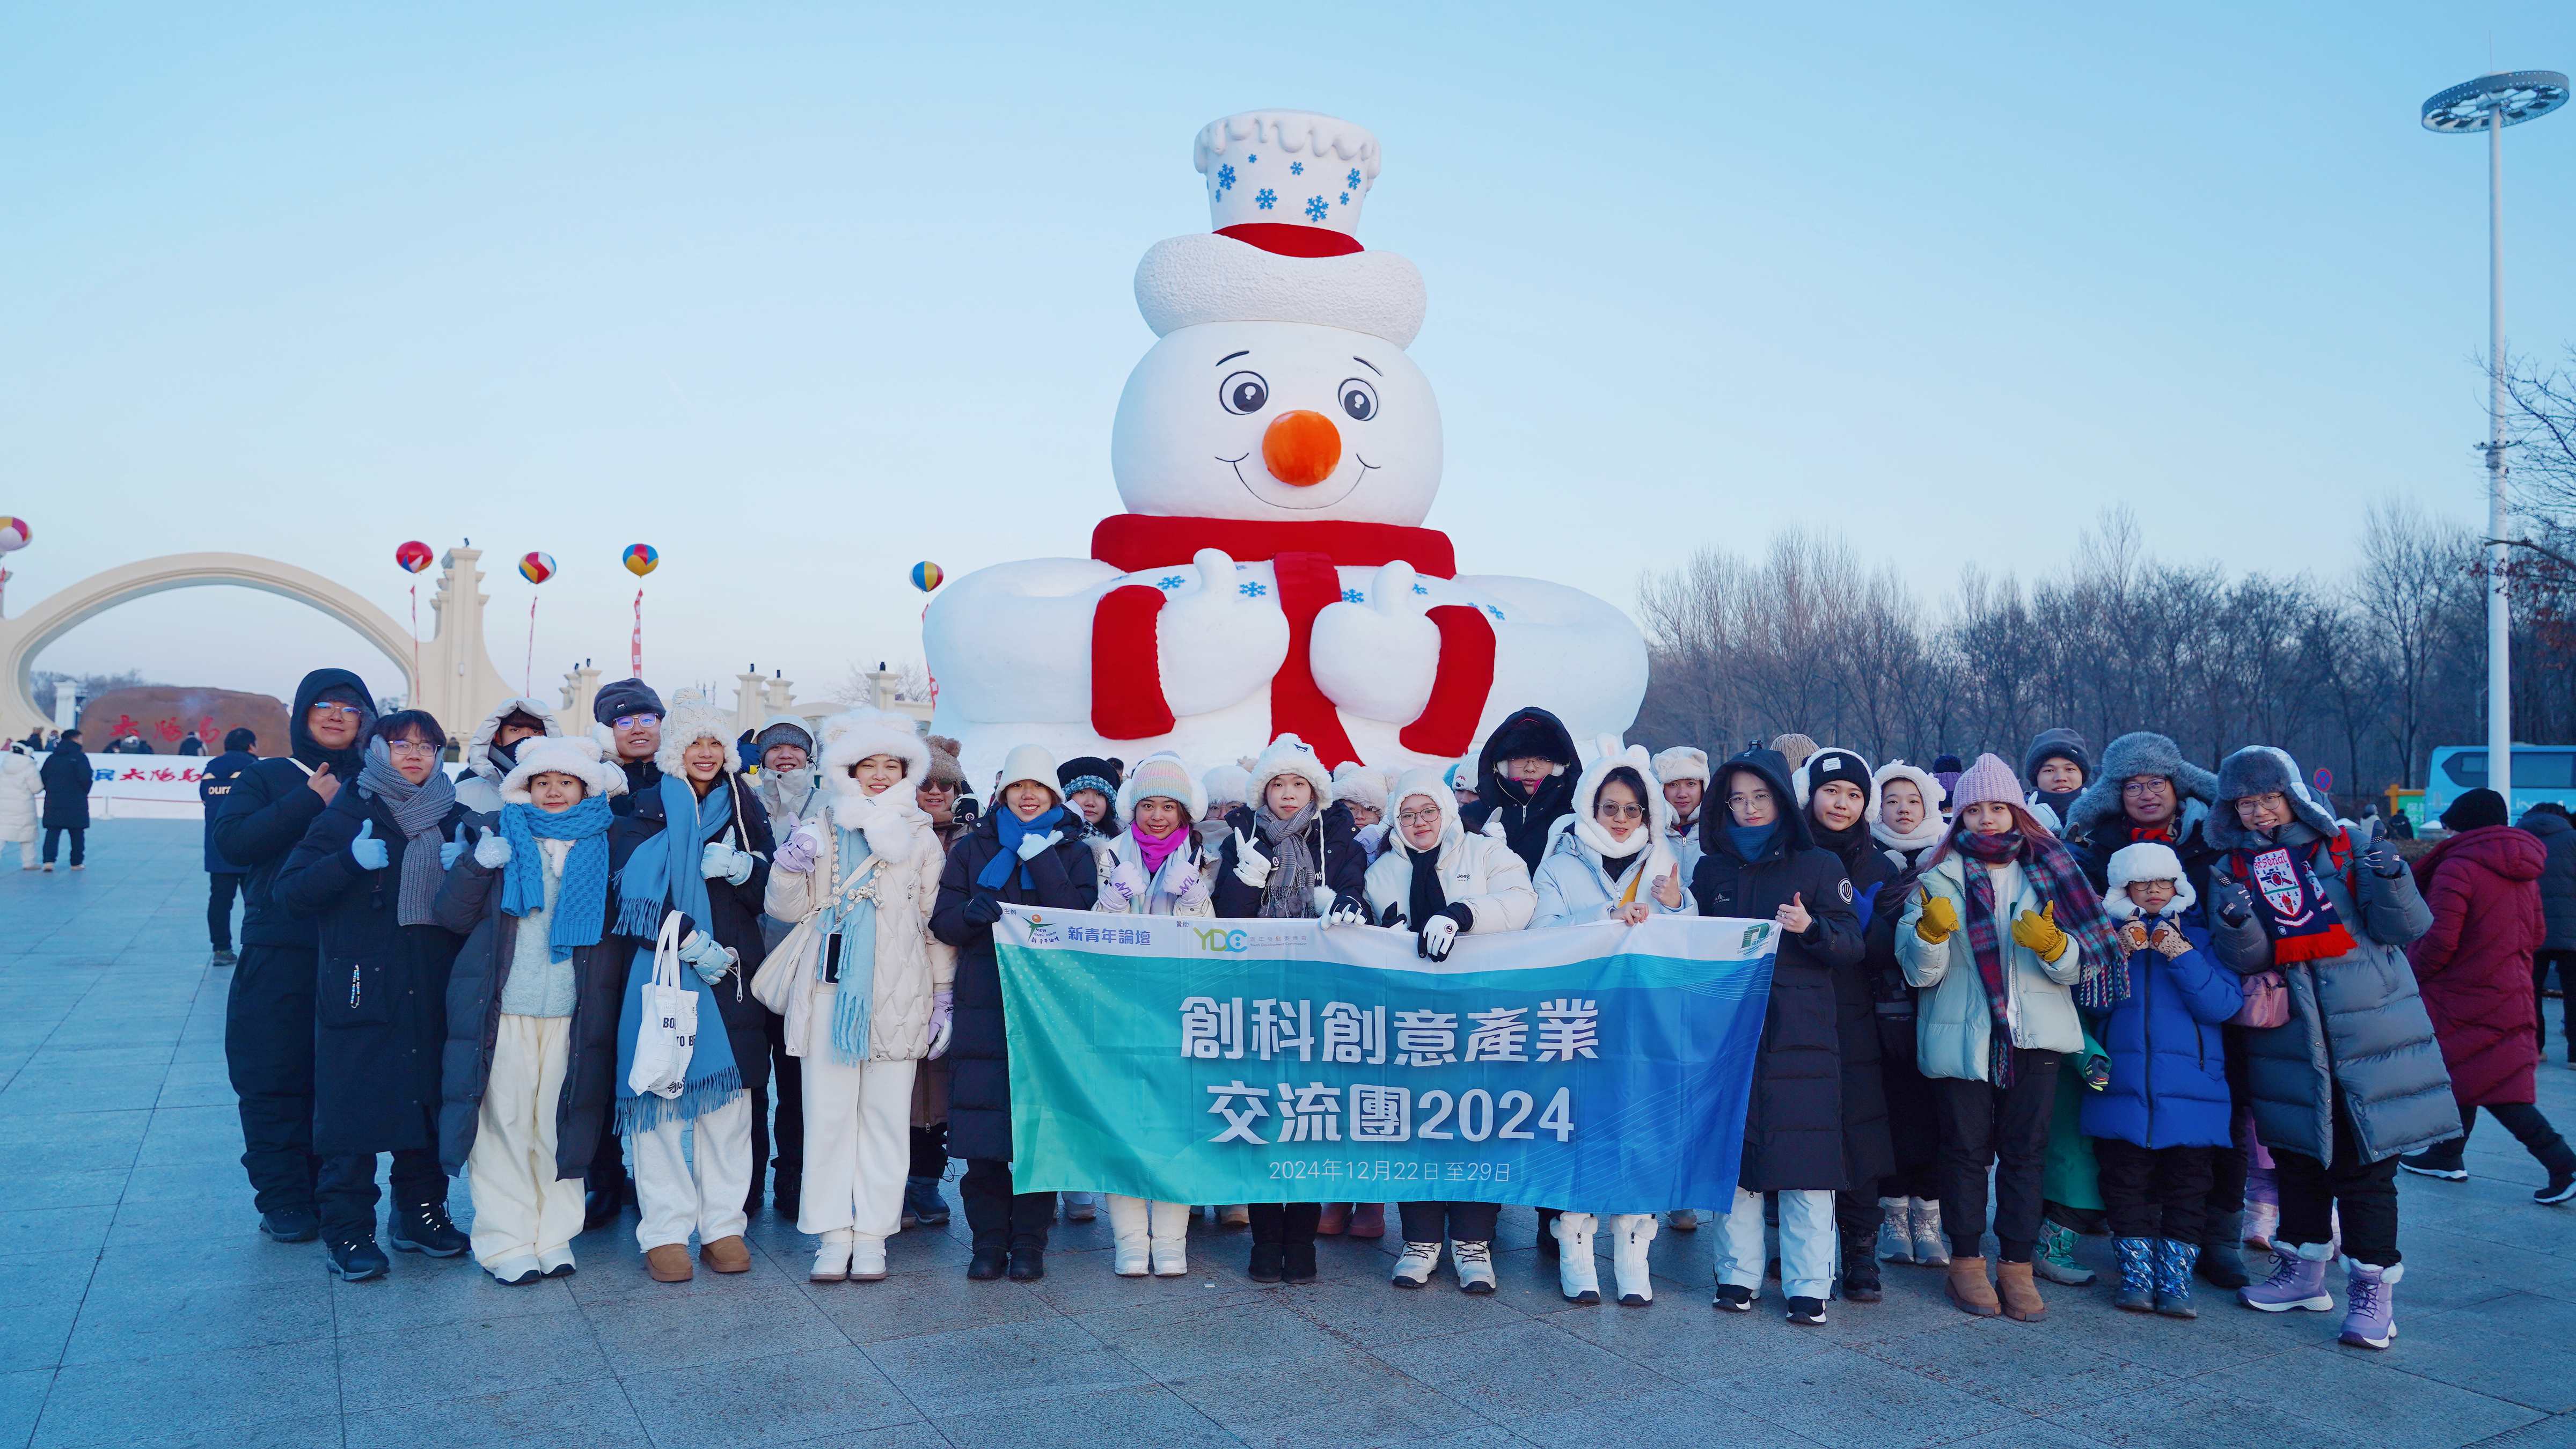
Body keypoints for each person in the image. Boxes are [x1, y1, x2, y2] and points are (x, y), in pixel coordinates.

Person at [2216, 747, 2453, 1350]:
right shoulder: (2233, 866)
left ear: (2294, 796)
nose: (2260, 812)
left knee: (2366, 1167)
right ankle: (2301, 1275)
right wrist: (2237, 923)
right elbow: (2249, 960)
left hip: (2369, 1031)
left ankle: (2374, 1294)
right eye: (2246, 802)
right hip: (2289, 1039)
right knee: (2298, 1159)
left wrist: (2393, 877)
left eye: (2269, 798)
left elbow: (2404, 928)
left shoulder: (2346, 846)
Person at [1896, 752, 2121, 1323]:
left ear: (2017, 811)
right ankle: (1967, 1262)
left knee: (2026, 1153)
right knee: (1965, 1152)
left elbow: (2080, 967)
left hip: (2036, 1035)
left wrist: (2053, 945)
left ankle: (2017, 1264)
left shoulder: (2051, 870)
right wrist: (1928, 935)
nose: (1987, 819)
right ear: (1959, 817)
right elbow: (1918, 974)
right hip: (1960, 1034)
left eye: (1998, 807)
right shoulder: (1935, 877)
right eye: (1975, 810)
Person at [274, 710, 476, 1280]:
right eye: (400, 744)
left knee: (427, 1101)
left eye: (426, 746)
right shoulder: (350, 812)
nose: (414, 755)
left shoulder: (456, 816)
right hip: (361, 985)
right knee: (352, 1108)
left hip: (432, 981)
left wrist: (470, 870)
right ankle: (348, 1229)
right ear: (377, 751)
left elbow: (484, 902)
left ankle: (420, 1215)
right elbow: (290, 893)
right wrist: (347, 862)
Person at [765, 710, 955, 1284]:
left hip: (900, 994)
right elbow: (787, 911)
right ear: (847, 770)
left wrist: (942, 995)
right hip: (828, 993)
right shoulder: (821, 826)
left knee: (886, 1120)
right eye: (867, 764)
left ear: (905, 771)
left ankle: (873, 1235)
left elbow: (934, 925)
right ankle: (832, 1235)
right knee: (827, 1118)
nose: (878, 775)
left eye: (890, 765)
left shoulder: (921, 836)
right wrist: (787, 868)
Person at [432, 734, 628, 1284]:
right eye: (543, 782)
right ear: (525, 788)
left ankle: (554, 1236)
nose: (554, 791)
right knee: (504, 1125)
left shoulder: (606, 843)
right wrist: (476, 865)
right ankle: (507, 1242)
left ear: (585, 789)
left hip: (574, 1012)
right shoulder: (499, 835)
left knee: (560, 1125)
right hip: (505, 1007)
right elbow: (452, 916)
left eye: (566, 782)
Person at [2061, 730, 2243, 1287]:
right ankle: (2137, 1261)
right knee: (2127, 1163)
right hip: (2127, 1044)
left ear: (2178, 785)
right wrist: (2114, 948)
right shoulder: (2098, 848)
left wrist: (2184, 949)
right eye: (2133, 785)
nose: (2146, 794)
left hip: (2197, 1030)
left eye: (2157, 782)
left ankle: (2212, 1242)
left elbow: (2223, 992)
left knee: (2201, 1153)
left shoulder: (2209, 837)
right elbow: (2091, 985)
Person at [604, 690, 775, 1282]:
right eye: (693, 743)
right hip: (662, 974)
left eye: (715, 743)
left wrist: (744, 870)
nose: (705, 753)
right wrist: (685, 939)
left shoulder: (745, 808)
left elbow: (773, 894)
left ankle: (723, 1226)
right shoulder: (641, 809)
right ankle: (665, 1231)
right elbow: (625, 897)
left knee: (728, 1110)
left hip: (730, 977)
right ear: (675, 750)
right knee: (659, 1107)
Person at [1690, 747, 1860, 1324]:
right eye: (1737, 799)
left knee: (1806, 1161)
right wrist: (1674, 908)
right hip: (1729, 1032)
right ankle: (1736, 1276)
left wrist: (1811, 928)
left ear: (1783, 800)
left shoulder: (1819, 865)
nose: (1749, 808)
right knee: (1735, 1159)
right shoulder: (1711, 869)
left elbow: (1851, 944)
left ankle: (1809, 1284)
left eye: (1760, 796)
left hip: (1800, 1035)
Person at [213, 670, 373, 1246]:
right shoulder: (268, 775)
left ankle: (332, 1193)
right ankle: (282, 1197)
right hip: (279, 949)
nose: (336, 715)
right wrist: (308, 801)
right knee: (272, 1076)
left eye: (350, 708)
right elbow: (233, 843)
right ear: (303, 713)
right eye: (324, 705)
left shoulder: (374, 782)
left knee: (342, 1081)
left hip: (353, 954)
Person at [1531, 744, 1694, 1307]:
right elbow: (1540, 933)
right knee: (1578, 1129)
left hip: (1644, 1023)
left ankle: (1633, 1249)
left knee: (1638, 1130)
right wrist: (1604, 917)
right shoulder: (1559, 863)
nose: (1622, 819)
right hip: (1577, 1021)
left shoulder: (1666, 861)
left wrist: (1678, 904)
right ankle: (1575, 1246)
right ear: (1590, 808)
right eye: (1610, 808)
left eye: (1632, 809)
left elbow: (1692, 944)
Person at [1364, 765, 1536, 1294]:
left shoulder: (1486, 853)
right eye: (1408, 815)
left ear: (1446, 811)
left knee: (1478, 1125)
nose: (1419, 823)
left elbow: (1521, 901)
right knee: (1415, 1125)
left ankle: (1472, 1241)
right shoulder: (1383, 870)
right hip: (1413, 1020)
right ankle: (1420, 1241)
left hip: (1481, 1015)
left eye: (1428, 811)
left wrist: (1462, 912)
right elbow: (1372, 929)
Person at [931, 742, 1099, 1281]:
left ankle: (1029, 1245)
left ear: (1053, 795)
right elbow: (943, 923)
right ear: (1003, 793)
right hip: (984, 1000)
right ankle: (987, 1244)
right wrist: (970, 913)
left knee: (1039, 1133)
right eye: (1018, 787)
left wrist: (1040, 857)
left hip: (1048, 1006)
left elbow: (1078, 921)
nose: (1028, 796)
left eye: (1039, 788)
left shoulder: (1075, 851)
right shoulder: (971, 849)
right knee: (984, 1137)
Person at [1211, 734, 1369, 1282]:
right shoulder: (1242, 835)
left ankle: (1300, 1241)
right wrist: (1246, 879)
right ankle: (1265, 1239)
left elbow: (1357, 893)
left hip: (1319, 997)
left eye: (1297, 783)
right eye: (1277, 784)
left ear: (1314, 790)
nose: (1287, 794)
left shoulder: (1338, 838)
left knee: (1308, 1117)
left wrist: (1347, 902)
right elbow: (1225, 921)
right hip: (1256, 994)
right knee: (1261, 1115)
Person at [2083, 843, 2242, 1318]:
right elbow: (2090, 1004)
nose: (2153, 891)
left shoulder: (2203, 938)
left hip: (2194, 1091)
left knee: (2189, 1188)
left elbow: (2223, 1005)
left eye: (2162, 882)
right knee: (2124, 1183)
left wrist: (2180, 953)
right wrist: (2120, 954)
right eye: (2141, 883)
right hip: (2122, 1087)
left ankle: (2176, 1279)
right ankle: (2136, 1276)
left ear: (2178, 886)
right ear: (2123, 889)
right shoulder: (2107, 937)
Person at [2398, 788, 2576, 1204]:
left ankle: (2563, 1164)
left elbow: (2440, 940)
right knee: (2468, 1071)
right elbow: (2537, 934)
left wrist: (2411, 972)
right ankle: (2447, 1154)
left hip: (2463, 992)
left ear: (2461, 825)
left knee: (2496, 1085)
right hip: (2509, 985)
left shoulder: (2458, 866)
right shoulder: (2524, 867)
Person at [1088, 751, 1218, 1276]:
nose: (1158, 816)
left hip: (1178, 1011)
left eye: (1168, 806)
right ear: (1133, 809)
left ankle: (1169, 1240)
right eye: (1148, 805)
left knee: (1174, 1127)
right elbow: (1088, 936)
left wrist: (1194, 901)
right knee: (1122, 1124)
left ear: (1184, 811)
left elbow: (1213, 942)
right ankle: (1128, 1239)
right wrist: (1112, 902)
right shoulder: (1108, 854)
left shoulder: (1203, 857)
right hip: (1119, 1009)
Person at [1795, 748, 1899, 1307]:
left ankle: (1861, 1250)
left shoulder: (1881, 867)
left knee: (1859, 1128)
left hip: (1858, 1013)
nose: (1841, 803)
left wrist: (1860, 915)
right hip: (1795, 1008)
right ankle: (1798, 1246)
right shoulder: (1789, 854)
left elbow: (1889, 952)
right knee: (1799, 1126)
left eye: (1854, 795)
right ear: (1810, 795)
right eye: (1831, 791)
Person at [1865, 759, 1950, 1268]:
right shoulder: (1866, 858)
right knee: (1892, 1112)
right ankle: (1893, 1212)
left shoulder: (1948, 856)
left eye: (1913, 801)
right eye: (1891, 800)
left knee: (1936, 1114)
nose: (1902, 810)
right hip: (1881, 1010)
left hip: (1942, 1006)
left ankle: (1929, 1215)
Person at [748, 712, 821, 1216]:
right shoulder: (746, 800)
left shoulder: (827, 802)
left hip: (804, 963)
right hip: (749, 959)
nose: (785, 754)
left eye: (796, 747)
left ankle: (793, 1177)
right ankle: (748, 1180)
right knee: (751, 1082)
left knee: (798, 1083)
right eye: (775, 747)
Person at [906, 734, 972, 1228]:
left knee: (943, 1085)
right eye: (925, 782)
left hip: (958, 977)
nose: (935, 792)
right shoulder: (891, 831)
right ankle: (894, 1182)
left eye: (945, 785)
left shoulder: (973, 838)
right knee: (902, 1084)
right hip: (900, 972)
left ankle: (926, 1183)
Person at [1460, 706, 1579, 874]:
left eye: (1542, 759)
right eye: (1519, 758)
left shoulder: (1573, 820)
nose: (1530, 768)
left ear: (1558, 766)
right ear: (1502, 765)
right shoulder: (1471, 817)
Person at [2520, 801, 2576, 1065]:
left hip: (2530, 929)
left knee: (2530, 992)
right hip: (2572, 930)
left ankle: (2534, 1048)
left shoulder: (2519, 839)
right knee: (2574, 992)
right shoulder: (2573, 839)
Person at [199, 727, 260, 965]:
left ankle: (221, 950)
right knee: (256, 902)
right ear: (251, 745)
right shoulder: (254, 767)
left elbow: (204, 798)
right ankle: (255, 949)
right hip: (251, 845)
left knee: (220, 901)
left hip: (218, 846)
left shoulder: (211, 767)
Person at [455, 699, 557, 816]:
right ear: (498, 737)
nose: (526, 737)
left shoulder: (563, 795)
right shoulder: (463, 794)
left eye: (535, 732)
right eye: (515, 730)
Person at [594, 678, 664, 814]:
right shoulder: (595, 784)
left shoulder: (684, 776)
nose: (638, 730)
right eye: (625, 723)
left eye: (647, 720)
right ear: (607, 735)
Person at [37, 727, 91, 870]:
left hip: (54, 801)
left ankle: (48, 862)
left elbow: (43, 777)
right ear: (75, 739)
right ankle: (76, 863)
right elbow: (86, 778)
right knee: (77, 833)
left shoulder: (52, 758)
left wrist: (52, 790)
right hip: (76, 801)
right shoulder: (80, 758)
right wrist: (82, 792)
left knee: (52, 832)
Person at [2023, 728, 2091, 839]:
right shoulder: (2015, 820)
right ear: (2036, 778)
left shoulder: (2108, 818)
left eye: (2069, 769)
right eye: (2049, 770)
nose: (2060, 778)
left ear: (2082, 775)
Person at [1653, 745, 1709, 879]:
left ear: (1703, 787)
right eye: (1673, 785)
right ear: (1660, 789)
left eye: (1691, 784)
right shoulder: (1648, 837)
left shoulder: (1719, 835)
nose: (1682, 794)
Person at [1333, 762, 1394, 862]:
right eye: (1351, 808)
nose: (1359, 816)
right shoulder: (1320, 841)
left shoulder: (1395, 852)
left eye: (1369, 809)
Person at [0, 741, 38, 871]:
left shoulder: (4, 764)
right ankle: (29, 863)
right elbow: (36, 788)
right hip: (24, 806)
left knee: (2, 833)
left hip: (4, 805)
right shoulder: (30, 767)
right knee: (27, 836)